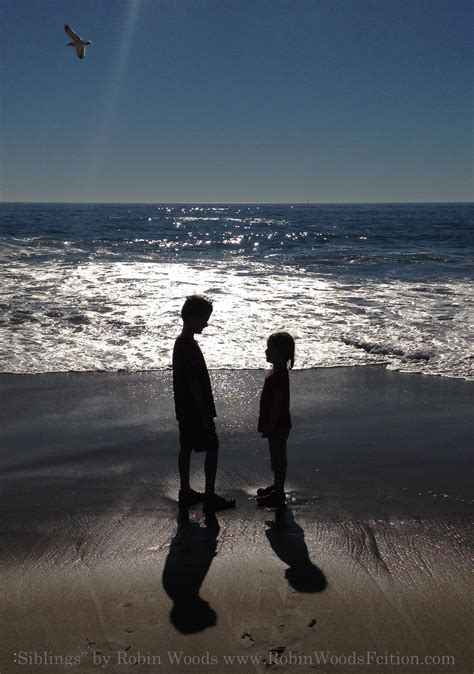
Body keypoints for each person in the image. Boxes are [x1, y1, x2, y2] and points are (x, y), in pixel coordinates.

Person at [172, 294, 235, 511]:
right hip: (195, 410)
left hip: (183, 408)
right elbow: (194, 384)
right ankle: (209, 495)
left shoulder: (180, 343)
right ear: (192, 318)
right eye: (204, 319)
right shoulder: (188, 346)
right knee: (212, 447)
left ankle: (185, 490)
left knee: (186, 447)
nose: (206, 324)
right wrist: (205, 414)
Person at [256, 331, 295, 507]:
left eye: (270, 349)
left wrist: (270, 425)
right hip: (276, 423)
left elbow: (278, 404)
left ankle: (279, 492)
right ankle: (276, 486)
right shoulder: (276, 371)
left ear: (280, 353)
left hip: (278, 424)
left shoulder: (279, 375)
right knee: (275, 456)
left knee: (278, 458)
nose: (266, 352)